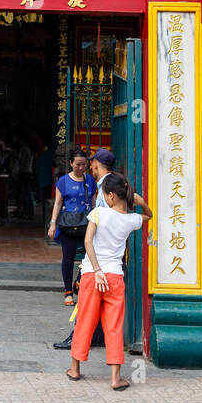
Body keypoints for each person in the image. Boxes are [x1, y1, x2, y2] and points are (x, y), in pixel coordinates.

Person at [65, 173, 151, 390]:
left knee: (85, 321)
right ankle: (115, 378)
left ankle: (75, 369)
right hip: (114, 277)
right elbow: (148, 216)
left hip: (92, 275)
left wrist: (96, 269)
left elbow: (87, 242)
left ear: (111, 196)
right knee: (113, 327)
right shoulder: (131, 219)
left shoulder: (98, 213)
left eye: (105, 194)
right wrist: (141, 202)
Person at [49, 149, 98, 307]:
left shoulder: (90, 180)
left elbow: (94, 201)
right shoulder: (63, 181)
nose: (81, 168)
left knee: (89, 256)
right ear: (71, 163)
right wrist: (52, 223)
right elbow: (57, 203)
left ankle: (79, 280)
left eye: (84, 164)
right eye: (77, 164)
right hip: (68, 225)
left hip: (86, 224)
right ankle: (68, 292)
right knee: (68, 258)